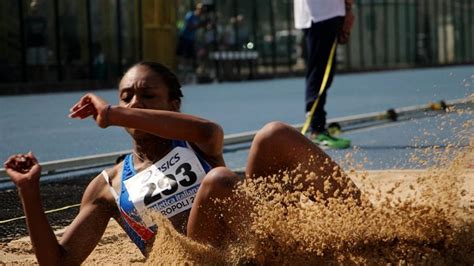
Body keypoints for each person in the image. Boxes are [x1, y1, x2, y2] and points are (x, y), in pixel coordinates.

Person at [4, 61, 360, 264]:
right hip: (198, 262)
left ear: (173, 105)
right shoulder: (108, 186)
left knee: (274, 134)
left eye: (148, 96)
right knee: (219, 180)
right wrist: (29, 192)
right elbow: (58, 263)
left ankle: (372, 229)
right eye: (126, 97)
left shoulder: (197, 139)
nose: (134, 104)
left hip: (256, 242)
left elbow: (209, 128)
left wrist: (112, 113)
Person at [294, 0, 355, 149]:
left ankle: (318, 127)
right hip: (320, 15)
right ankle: (316, 128)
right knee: (319, 73)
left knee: (324, 74)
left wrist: (346, 7)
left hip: (327, 13)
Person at [176, 3, 207, 76]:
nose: (201, 12)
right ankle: (181, 69)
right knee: (182, 54)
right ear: (197, 9)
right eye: (201, 10)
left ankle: (188, 70)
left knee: (190, 55)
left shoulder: (199, 18)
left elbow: (198, 27)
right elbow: (189, 26)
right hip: (184, 37)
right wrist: (199, 25)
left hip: (191, 39)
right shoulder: (190, 15)